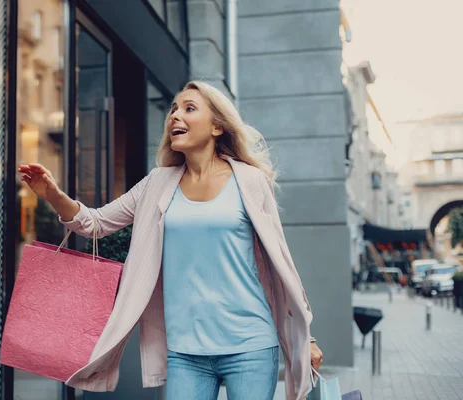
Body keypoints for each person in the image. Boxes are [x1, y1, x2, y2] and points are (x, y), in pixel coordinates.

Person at [18, 81, 323, 400]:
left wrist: (307, 337)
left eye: (189, 108)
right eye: (174, 109)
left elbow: (281, 264)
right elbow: (95, 223)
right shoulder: (157, 184)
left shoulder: (250, 181)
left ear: (218, 126)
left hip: (250, 344)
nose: (176, 115)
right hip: (185, 351)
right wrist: (52, 194)